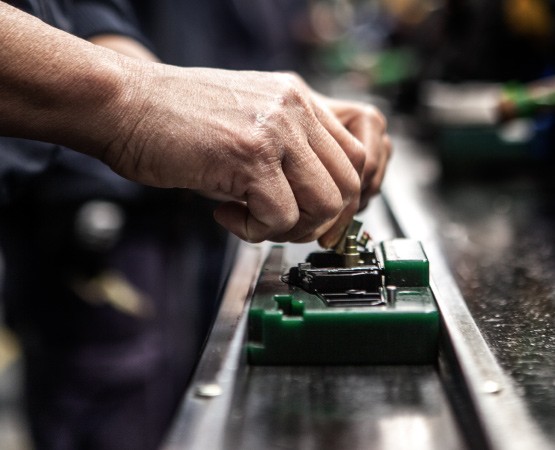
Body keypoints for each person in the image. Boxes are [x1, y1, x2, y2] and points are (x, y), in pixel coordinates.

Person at [0, 1, 391, 448]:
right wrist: (133, 99)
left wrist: (217, 109)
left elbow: (68, 11)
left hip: (178, 215)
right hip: (84, 215)